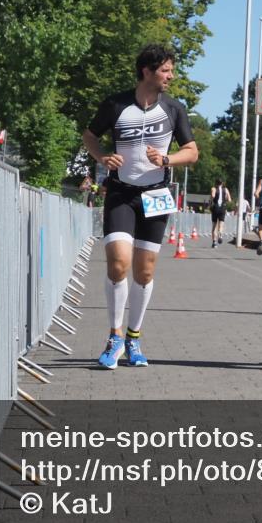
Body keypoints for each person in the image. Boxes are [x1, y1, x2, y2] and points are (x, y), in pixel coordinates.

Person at [82, 44, 198, 369]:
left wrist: (167, 159)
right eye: (166, 70)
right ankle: (114, 336)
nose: (171, 76)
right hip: (121, 192)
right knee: (118, 263)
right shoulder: (116, 104)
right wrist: (102, 157)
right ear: (147, 71)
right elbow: (89, 136)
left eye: (171, 70)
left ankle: (134, 337)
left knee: (144, 272)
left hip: (156, 194)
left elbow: (192, 151)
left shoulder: (174, 109)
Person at [209, 179, 231, 247]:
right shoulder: (226, 189)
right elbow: (229, 199)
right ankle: (220, 234)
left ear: (216, 183)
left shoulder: (213, 188)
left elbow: (213, 196)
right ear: (222, 183)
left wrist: (210, 201)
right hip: (222, 208)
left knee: (214, 226)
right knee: (221, 225)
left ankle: (214, 242)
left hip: (215, 207)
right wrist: (225, 198)